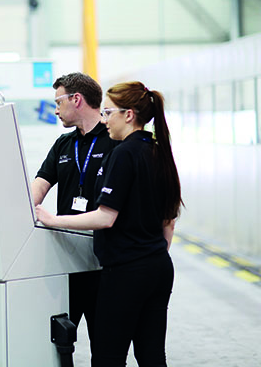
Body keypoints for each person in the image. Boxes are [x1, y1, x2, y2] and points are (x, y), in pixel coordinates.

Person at [35, 81, 182, 367]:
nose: (105, 120)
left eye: (109, 113)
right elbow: (169, 221)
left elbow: (105, 217)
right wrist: (152, 254)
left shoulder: (123, 153)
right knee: (151, 355)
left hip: (125, 270)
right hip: (158, 266)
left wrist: (53, 220)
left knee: (108, 357)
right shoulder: (157, 150)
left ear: (129, 115)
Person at [31, 72, 117, 363]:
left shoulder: (114, 142)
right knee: (58, 342)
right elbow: (39, 186)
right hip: (65, 263)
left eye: (58, 102)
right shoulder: (63, 145)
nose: (55, 109)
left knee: (106, 348)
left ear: (76, 99)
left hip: (104, 261)